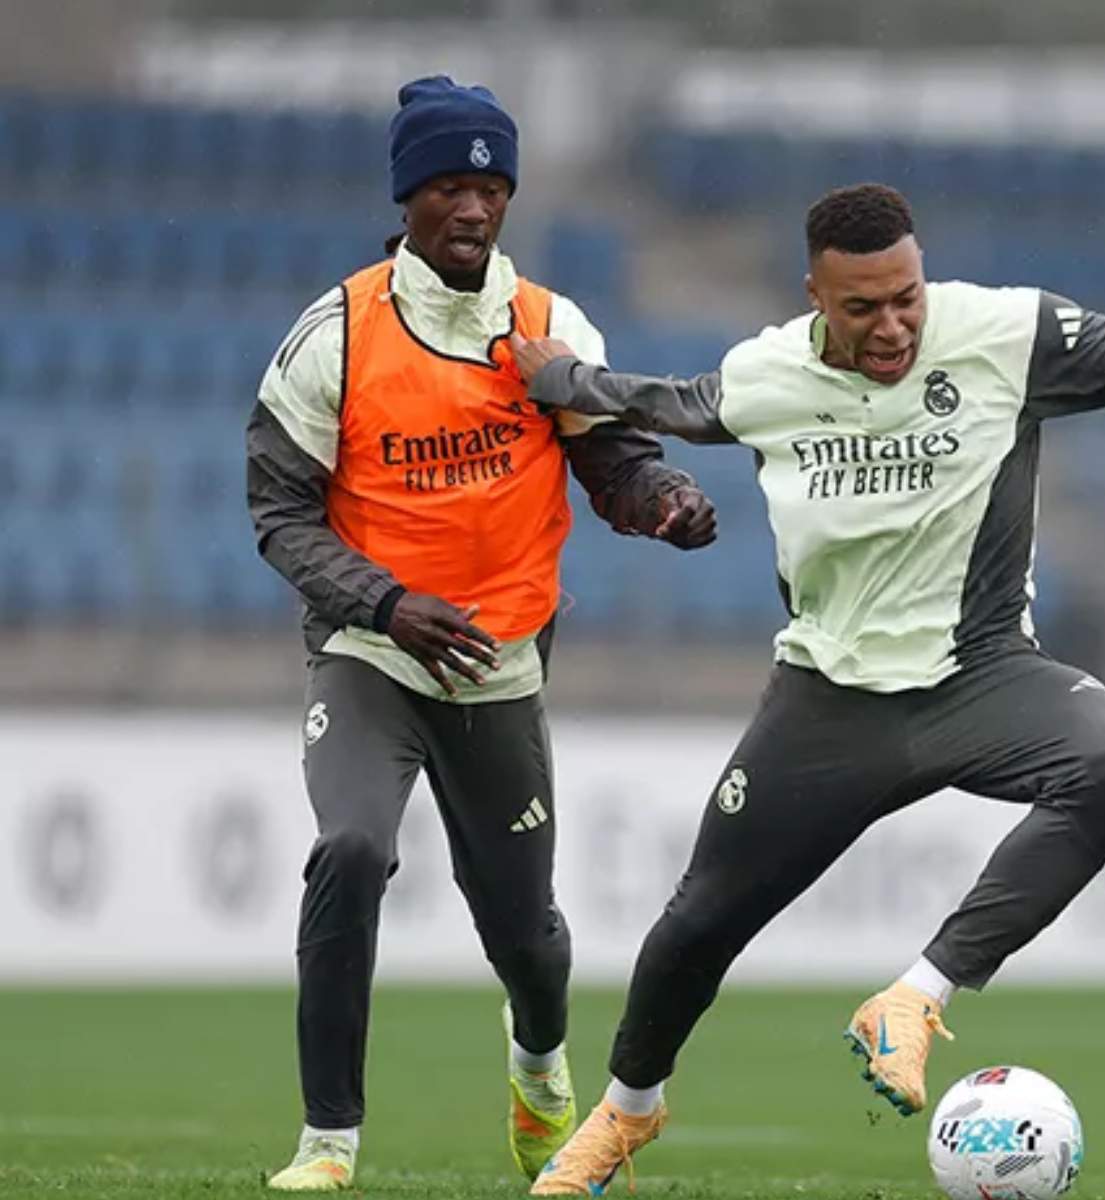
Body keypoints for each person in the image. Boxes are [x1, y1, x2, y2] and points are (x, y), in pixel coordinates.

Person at [505, 182, 1105, 1195]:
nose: (891, 328)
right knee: (696, 925)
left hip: (982, 676)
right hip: (827, 698)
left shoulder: (1007, 334)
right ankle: (627, 1115)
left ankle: (915, 1000)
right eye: (861, 309)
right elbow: (665, 402)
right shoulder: (765, 374)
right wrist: (564, 375)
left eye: (906, 300)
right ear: (813, 298)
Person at [245, 76, 717, 1192]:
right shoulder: (334, 335)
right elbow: (277, 511)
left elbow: (611, 462)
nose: (472, 207)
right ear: (408, 198)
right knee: (352, 851)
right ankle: (326, 1144)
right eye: (449, 185)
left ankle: (539, 1066)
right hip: (370, 654)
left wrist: (661, 503)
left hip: (500, 662)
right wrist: (383, 602)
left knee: (527, 940)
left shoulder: (551, 327)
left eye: (491, 184)